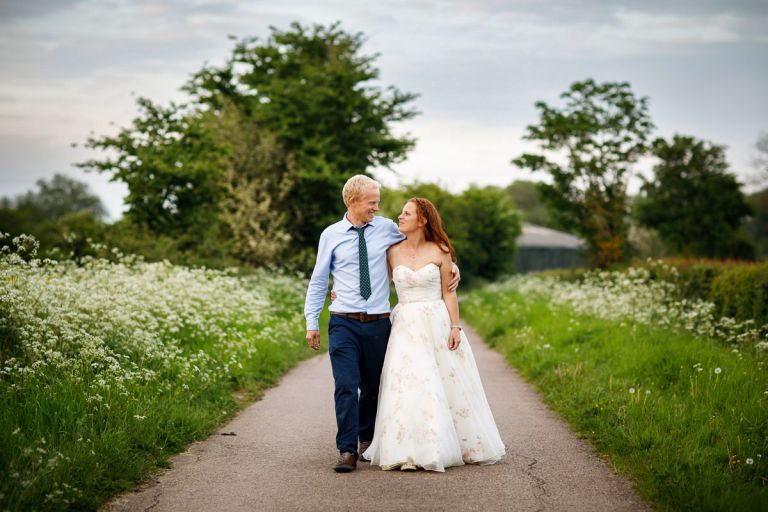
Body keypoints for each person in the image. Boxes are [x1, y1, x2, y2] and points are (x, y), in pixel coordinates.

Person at [304, 176, 459, 473]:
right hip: (343, 321)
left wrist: (453, 270)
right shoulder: (331, 235)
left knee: (374, 387)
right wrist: (312, 322)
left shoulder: (388, 228)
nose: (377, 206)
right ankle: (347, 450)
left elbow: (421, 250)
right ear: (353, 201)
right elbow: (319, 280)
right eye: (372, 202)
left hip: (378, 324)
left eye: (378, 201)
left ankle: (367, 438)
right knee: (346, 385)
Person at [362, 197, 505, 472]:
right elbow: (374, 283)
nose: (400, 217)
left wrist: (455, 326)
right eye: (401, 212)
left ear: (423, 219)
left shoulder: (440, 251)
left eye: (406, 213)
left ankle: (438, 445)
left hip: (436, 323)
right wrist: (341, 293)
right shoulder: (391, 251)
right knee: (407, 384)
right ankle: (406, 449)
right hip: (404, 324)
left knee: (438, 382)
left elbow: (449, 293)